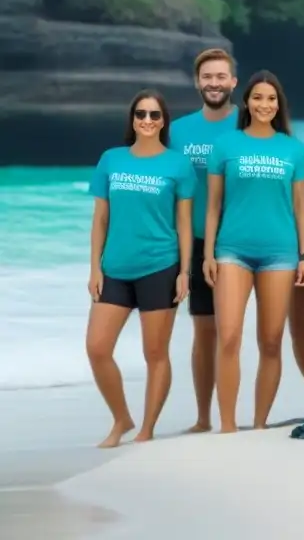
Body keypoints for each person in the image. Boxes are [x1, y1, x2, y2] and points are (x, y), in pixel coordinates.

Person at [86, 90, 195, 447]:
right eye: (140, 115)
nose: (147, 121)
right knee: (97, 348)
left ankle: (147, 428)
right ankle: (122, 419)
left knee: (155, 353)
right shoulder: (111, 160)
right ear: (132, 120)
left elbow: (183, 223)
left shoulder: (177, 165)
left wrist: (184, 272)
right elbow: (100, 219)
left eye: (154, 116)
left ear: (163, 122)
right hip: (115, 268)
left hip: (160, 267)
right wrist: (95, 269)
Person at [204, 70, 304, 433]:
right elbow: (213, 205)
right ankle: (228, 425)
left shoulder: (293, 148)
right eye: (258, 98)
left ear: (278, 105)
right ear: (246, 102)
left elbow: (300, 206)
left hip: (280, 254)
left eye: (271, 99)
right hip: (231, 250)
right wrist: (208, 254)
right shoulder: (226, 145)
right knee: (229, 335)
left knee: (271, 339)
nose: (264, 105)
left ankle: (261, 422)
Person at [169, 47, 240, 433]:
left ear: (233, 82)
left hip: (247, 240)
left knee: (260, 331)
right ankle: (203, 417)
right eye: (207, 77)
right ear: (198, 82)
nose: (214, 83)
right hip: (196, 242)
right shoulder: (178, 131)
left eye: (220, 76)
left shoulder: (250, 124)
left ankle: (258, 413)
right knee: (206, 331)